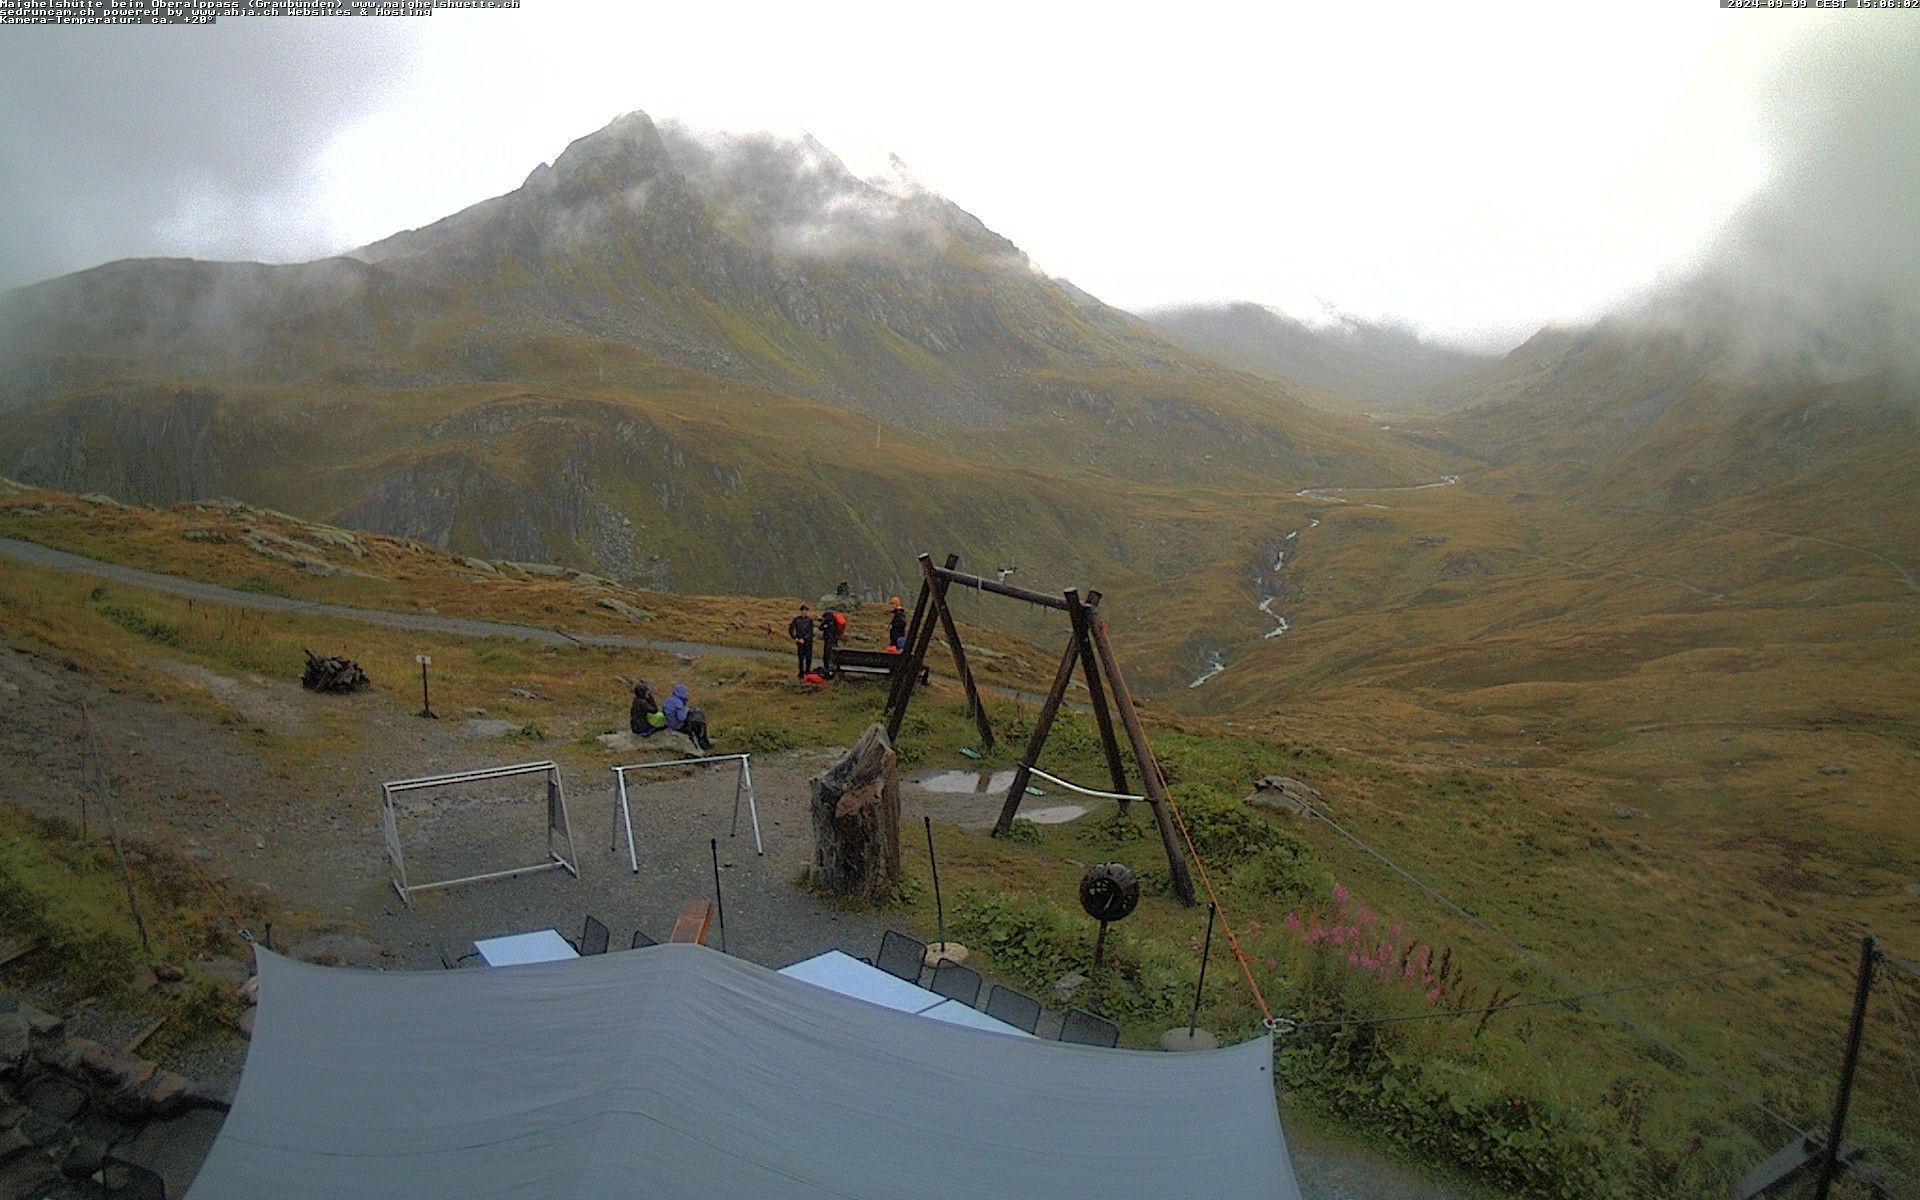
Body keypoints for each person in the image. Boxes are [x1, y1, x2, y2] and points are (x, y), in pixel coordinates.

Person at [661, 683, 713, 752]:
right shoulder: (678, 703)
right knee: (698, 723)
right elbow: (681, 718)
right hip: (678, 725)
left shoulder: (668, 700)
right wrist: (686, 711)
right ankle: (703, 743)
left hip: (669, 723)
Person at [787, 604, 815, 679]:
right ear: (801, 611)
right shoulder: (796, 620)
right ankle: (801, 672)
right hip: (799, 641)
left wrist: (804, 639)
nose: (804, 612)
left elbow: (810, 632)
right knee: (801, 657)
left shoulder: (809, 620)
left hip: (808, 641)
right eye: (803, 610)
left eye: (806, 611)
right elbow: (791, 629)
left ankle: (807, 671)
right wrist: (795, 638)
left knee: (808, 657)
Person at [820, 606, 844, 678]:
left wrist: (823, 623)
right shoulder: (835, 623)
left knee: (827, 656)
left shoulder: (827, 623)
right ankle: (831, 671)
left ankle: (827, 671)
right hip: (834, 643)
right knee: (833, 657)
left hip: (828, 643)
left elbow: (820, 628)